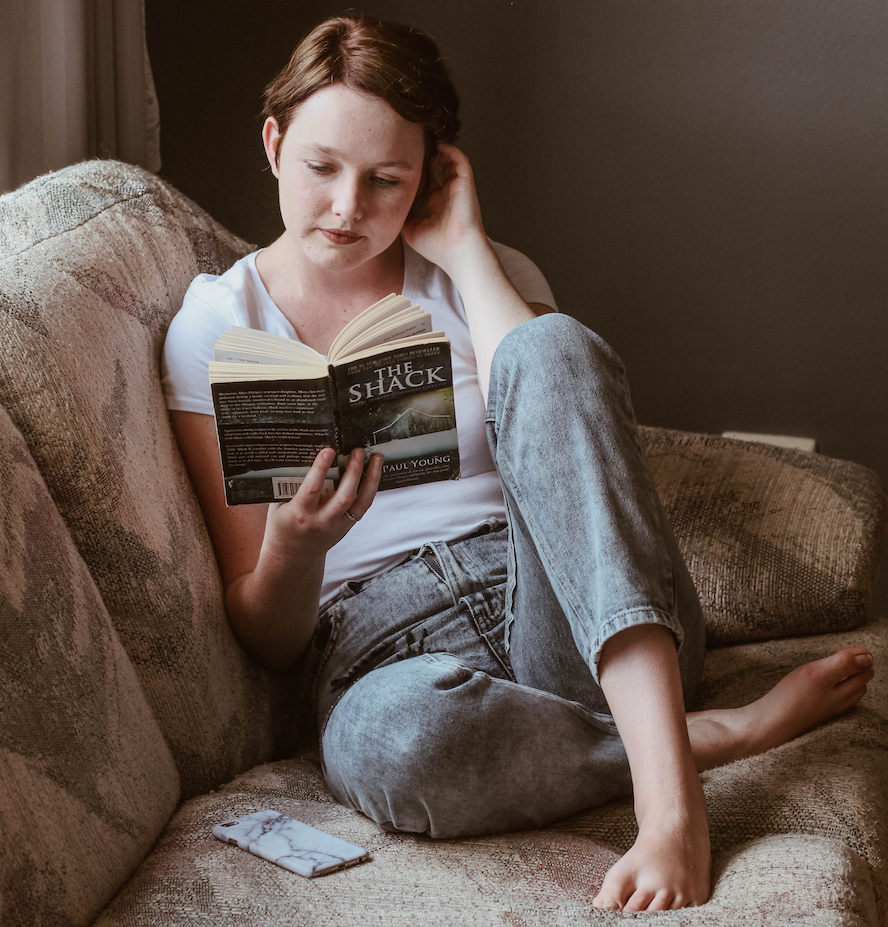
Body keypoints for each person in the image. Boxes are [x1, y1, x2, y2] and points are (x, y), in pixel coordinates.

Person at [161, 14, 875, 912]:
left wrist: (467, 253)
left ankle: (668, 806)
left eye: (387, 179)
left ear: (433, 172)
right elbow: (265, 633)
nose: (347, 207)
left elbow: (561, 413)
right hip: (384, 659)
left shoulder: (485, 274)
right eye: (322, 168)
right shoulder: (216, 327)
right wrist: (297, 546)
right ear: (273, 145)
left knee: (550, 344)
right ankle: (718, 734)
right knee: (389, 745)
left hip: (569, 606)